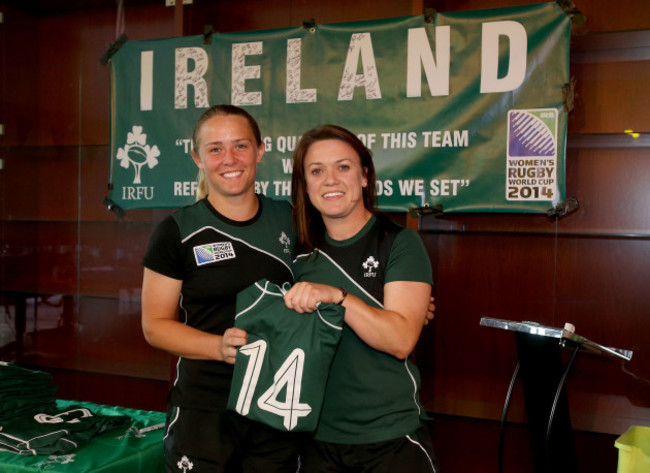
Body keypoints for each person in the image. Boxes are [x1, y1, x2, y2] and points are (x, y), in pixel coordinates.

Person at [140, 104, 301, 473]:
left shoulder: (291, 220)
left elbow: (334, 276)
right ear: (198, 157)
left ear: (260, 150)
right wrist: (217, 347)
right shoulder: (176, 231)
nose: (229, 159)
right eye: (215, 149)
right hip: (203, 408)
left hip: (275, 406)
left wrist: (404, 299)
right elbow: (155, 325)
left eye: (241, 146)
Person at [284, 124, 439, 473]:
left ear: (365, 176)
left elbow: (400, 340)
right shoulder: (294, 252)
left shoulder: (399, 243)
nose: (330, 180)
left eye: (343, 167)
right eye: (316, 171)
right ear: (304, 184)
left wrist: (337, 297)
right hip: (314, 439)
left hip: (389, 438)